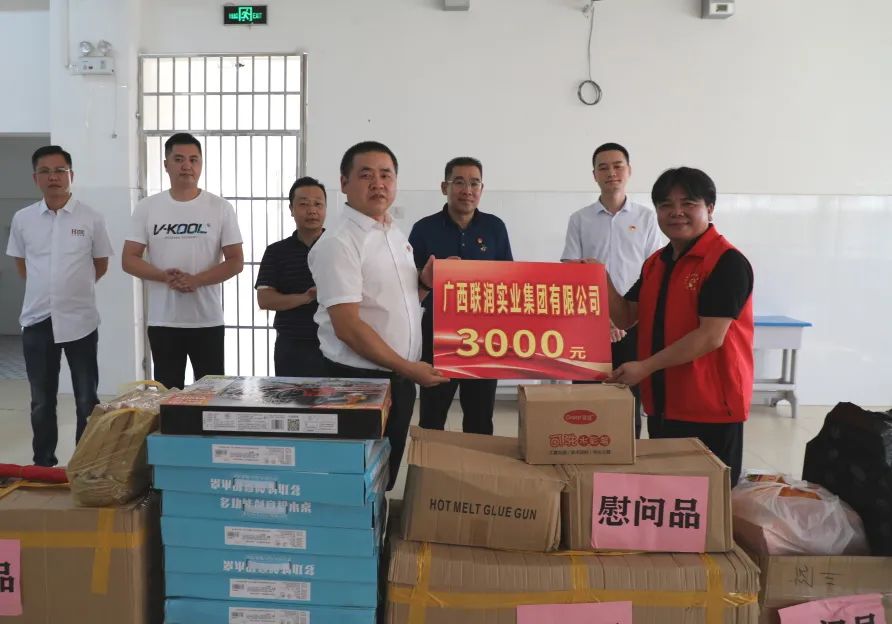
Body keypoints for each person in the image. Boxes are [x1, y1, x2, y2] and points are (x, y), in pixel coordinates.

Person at [308, 141, 448, 489]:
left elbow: (396, 301)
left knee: (384, 476)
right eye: (366, 175)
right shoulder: (340, 242)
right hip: (358, 383)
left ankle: (379, 523)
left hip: (396, 377)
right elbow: (348, 327)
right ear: (344, 183)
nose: (378, 184)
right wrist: (408, 369)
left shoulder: (393, 232)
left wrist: (425, 283)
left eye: (386, 175)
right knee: (356, 482)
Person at [606, 167, 754, 484]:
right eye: (665, 205)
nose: (676, 212)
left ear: (709, 208)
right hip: (663, 403)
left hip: (710, 408)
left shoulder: (725, 262)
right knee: (669, 495)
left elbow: (710, 337)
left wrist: (645, 367)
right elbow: (626, 316)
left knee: (710, 500)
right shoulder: (656, 263)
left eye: (688, 203)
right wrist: (600, 278)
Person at [6, 145, 113, 466]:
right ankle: (43, 464)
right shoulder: (23, 219)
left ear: (71, 175)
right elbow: (22, 264)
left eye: (59, 171)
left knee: (86, 399)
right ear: (35, 178)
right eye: (45, 171)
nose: (53, 177)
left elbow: (101, 264)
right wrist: (48, 291)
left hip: (81, 321)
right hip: (37, 322)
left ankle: (84, 465)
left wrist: (71, 291)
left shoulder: (91, 217)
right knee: (41, 401)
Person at [122, 132, 243, 390]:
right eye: (178, 159)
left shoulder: (220, 207)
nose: (186, 165)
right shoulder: (148, 207)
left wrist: (197, 280)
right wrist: (163, 276)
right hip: (164, 321)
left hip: (207, 320)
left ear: (201, 164)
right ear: (166, 164)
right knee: (167, 394)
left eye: (193, 159)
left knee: (210, 394)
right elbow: (129, 259)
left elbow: (235, 261)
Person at [561, 142, 662, 438]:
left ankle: (628, 451)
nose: (611, 173)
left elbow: (653, 272)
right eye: (603, 167)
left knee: (629, 396)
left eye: (618, 166)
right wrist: (604, 319)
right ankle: (585, 448)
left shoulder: (647, 218)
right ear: (594, 175)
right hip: (590, 323)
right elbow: (572, 271)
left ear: (629, 171)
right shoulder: (580, 219)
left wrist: (624, 318)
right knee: (587, 395)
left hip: (634, 322)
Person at [408, 156, 513, 434]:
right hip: (436, 336)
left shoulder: (495, 227)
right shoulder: (423, 229)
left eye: (474, 183)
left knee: (480, 420)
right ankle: (431, 464)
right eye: (459, 182)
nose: (467, 190)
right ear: (445, 187)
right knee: (432, 418)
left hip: (484, 339)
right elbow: (408, 283)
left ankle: (475, 465)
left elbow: (508, 280)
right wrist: (431, 275)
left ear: (482, 189)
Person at [255, 177, 327, 377]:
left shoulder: (340, 248)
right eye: (303, 204)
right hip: (291, 346)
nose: (312, 210)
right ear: (291, 209)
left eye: (318, 204)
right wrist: (307, 297)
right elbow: (265, 299)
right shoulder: (276, 251)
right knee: (291, 397)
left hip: (334, 344)